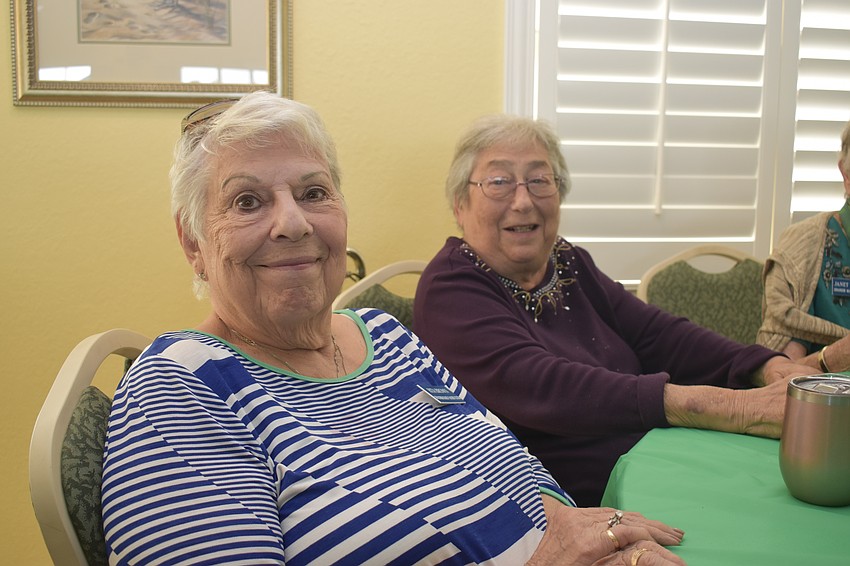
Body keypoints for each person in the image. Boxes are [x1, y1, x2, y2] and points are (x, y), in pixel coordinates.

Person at [100, 92, 685, 565]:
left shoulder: (384, 334)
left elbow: (525, 477)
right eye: (248, 202)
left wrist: (611, 549)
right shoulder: (181, 387)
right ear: (193, 242)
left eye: (313, 193)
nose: (294, 223)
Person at [412, 114, 816, 507]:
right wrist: (732, 406)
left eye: (539, 180)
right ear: (460, 204)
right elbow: (546, 387)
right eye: (499, 182)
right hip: (568, 505)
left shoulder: (568, 262)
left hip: (656, 459)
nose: (523, 201)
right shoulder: (451, 288)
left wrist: (765, 366)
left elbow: (659, 335)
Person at [757, 119, 850, 372]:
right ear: (846, 174)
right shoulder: (805, 249)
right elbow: (780, 375)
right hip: (829, 403)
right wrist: (836, 356)